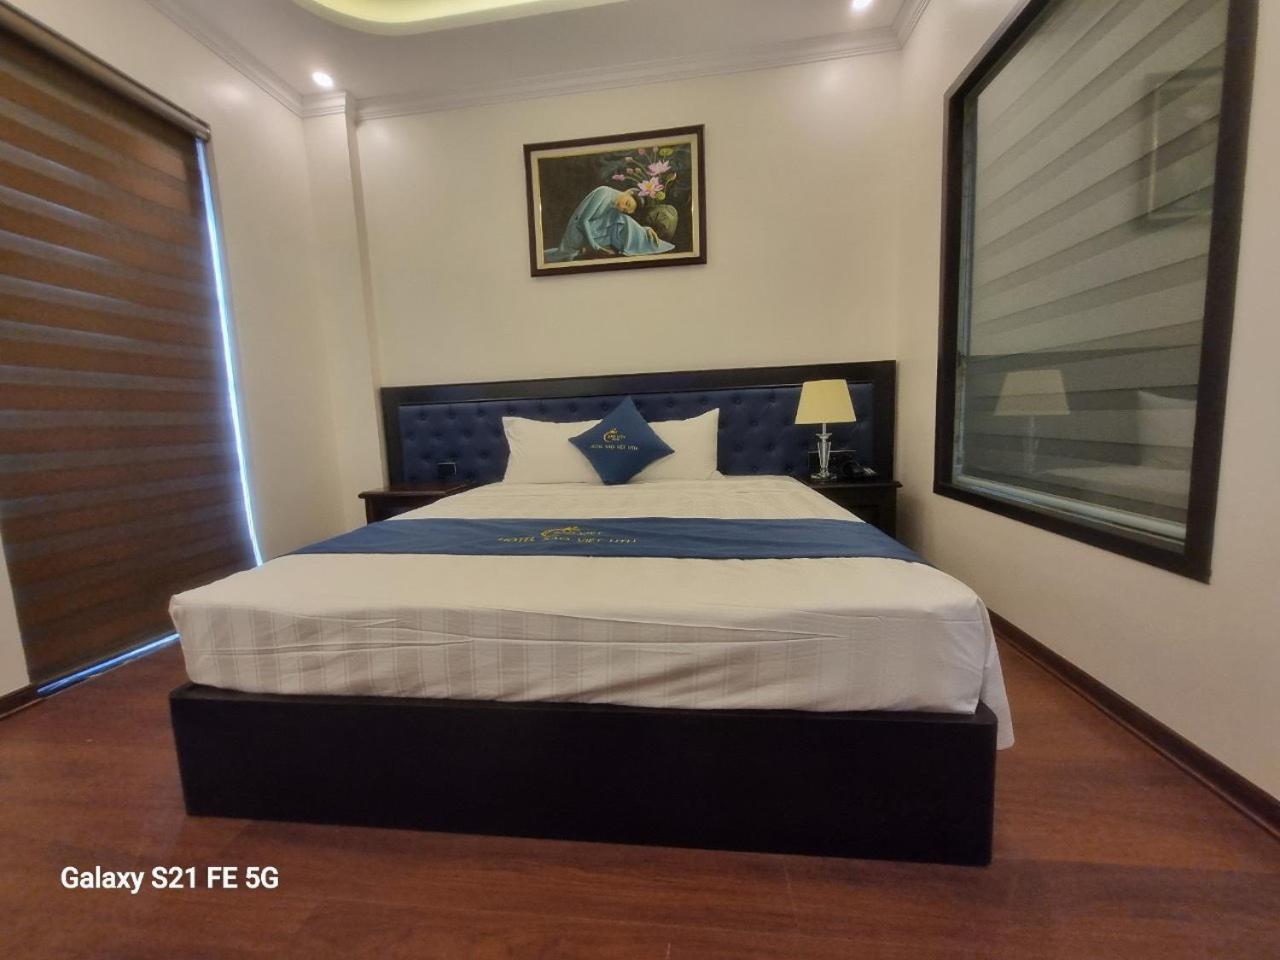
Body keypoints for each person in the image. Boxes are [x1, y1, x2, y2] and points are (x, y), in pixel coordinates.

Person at [543, 186, 675, 262]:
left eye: (626, 209)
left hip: (592, 233)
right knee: (560, 256)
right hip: (577, 232)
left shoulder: (615, 206)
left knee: (624, 220)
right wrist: (595, 247)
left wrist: (644, 229)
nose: (622, 207)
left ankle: (646, 241)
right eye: (627, 203)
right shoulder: (604, 192)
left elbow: (625, 222)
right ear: (628, 192)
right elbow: (583, 221)